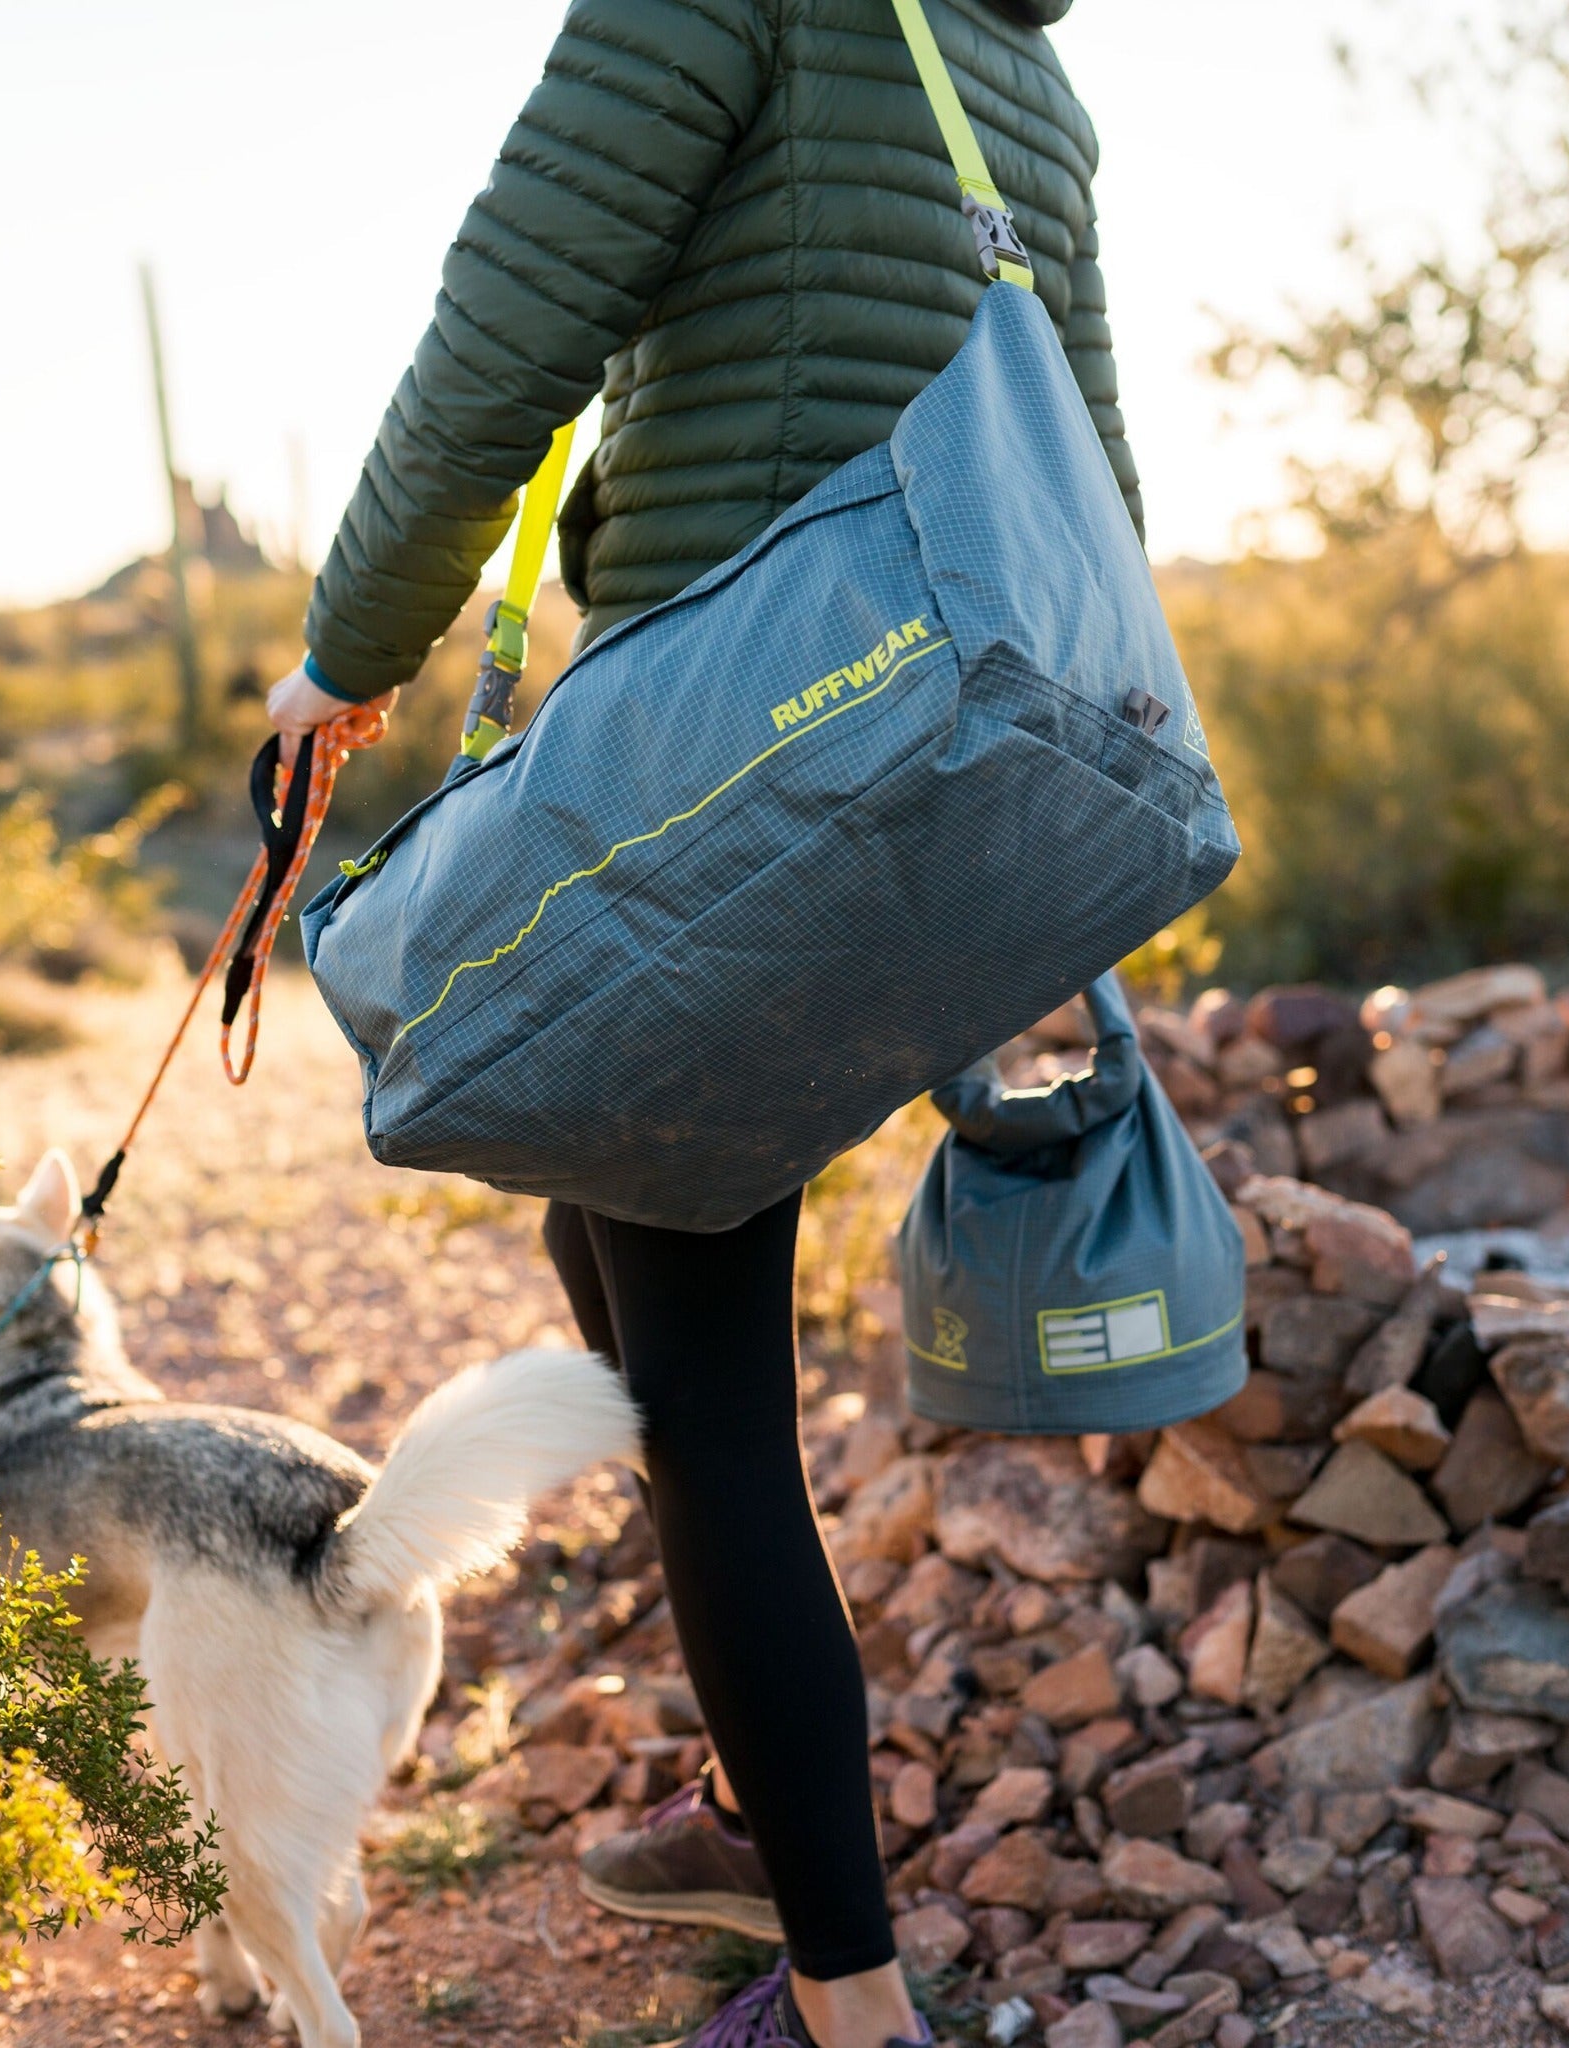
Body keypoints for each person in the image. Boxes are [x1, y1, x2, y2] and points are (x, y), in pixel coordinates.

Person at [267, 3, 1140, 2042]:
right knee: (623, 1260)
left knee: (707, 1392)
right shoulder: (1024, 79)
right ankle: (764, 1798)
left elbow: (506, 332)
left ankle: (845, 1993)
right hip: (918, 772)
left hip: (722, 782)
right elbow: (1087, 474)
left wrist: (345, 652)